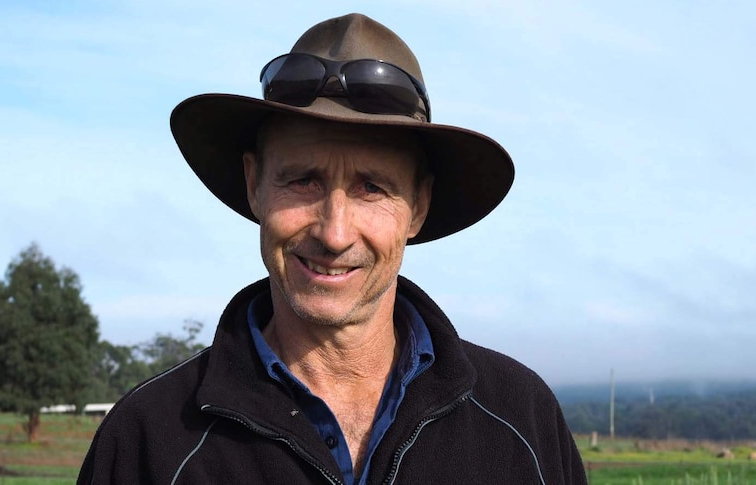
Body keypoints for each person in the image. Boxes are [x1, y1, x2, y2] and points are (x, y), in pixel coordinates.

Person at [78, 13, 588, 485]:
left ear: (419, 204)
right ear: (254, 184)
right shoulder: (149, 438)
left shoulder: (522, 419)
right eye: (303, 181)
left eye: (372, 188)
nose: (334, 233)